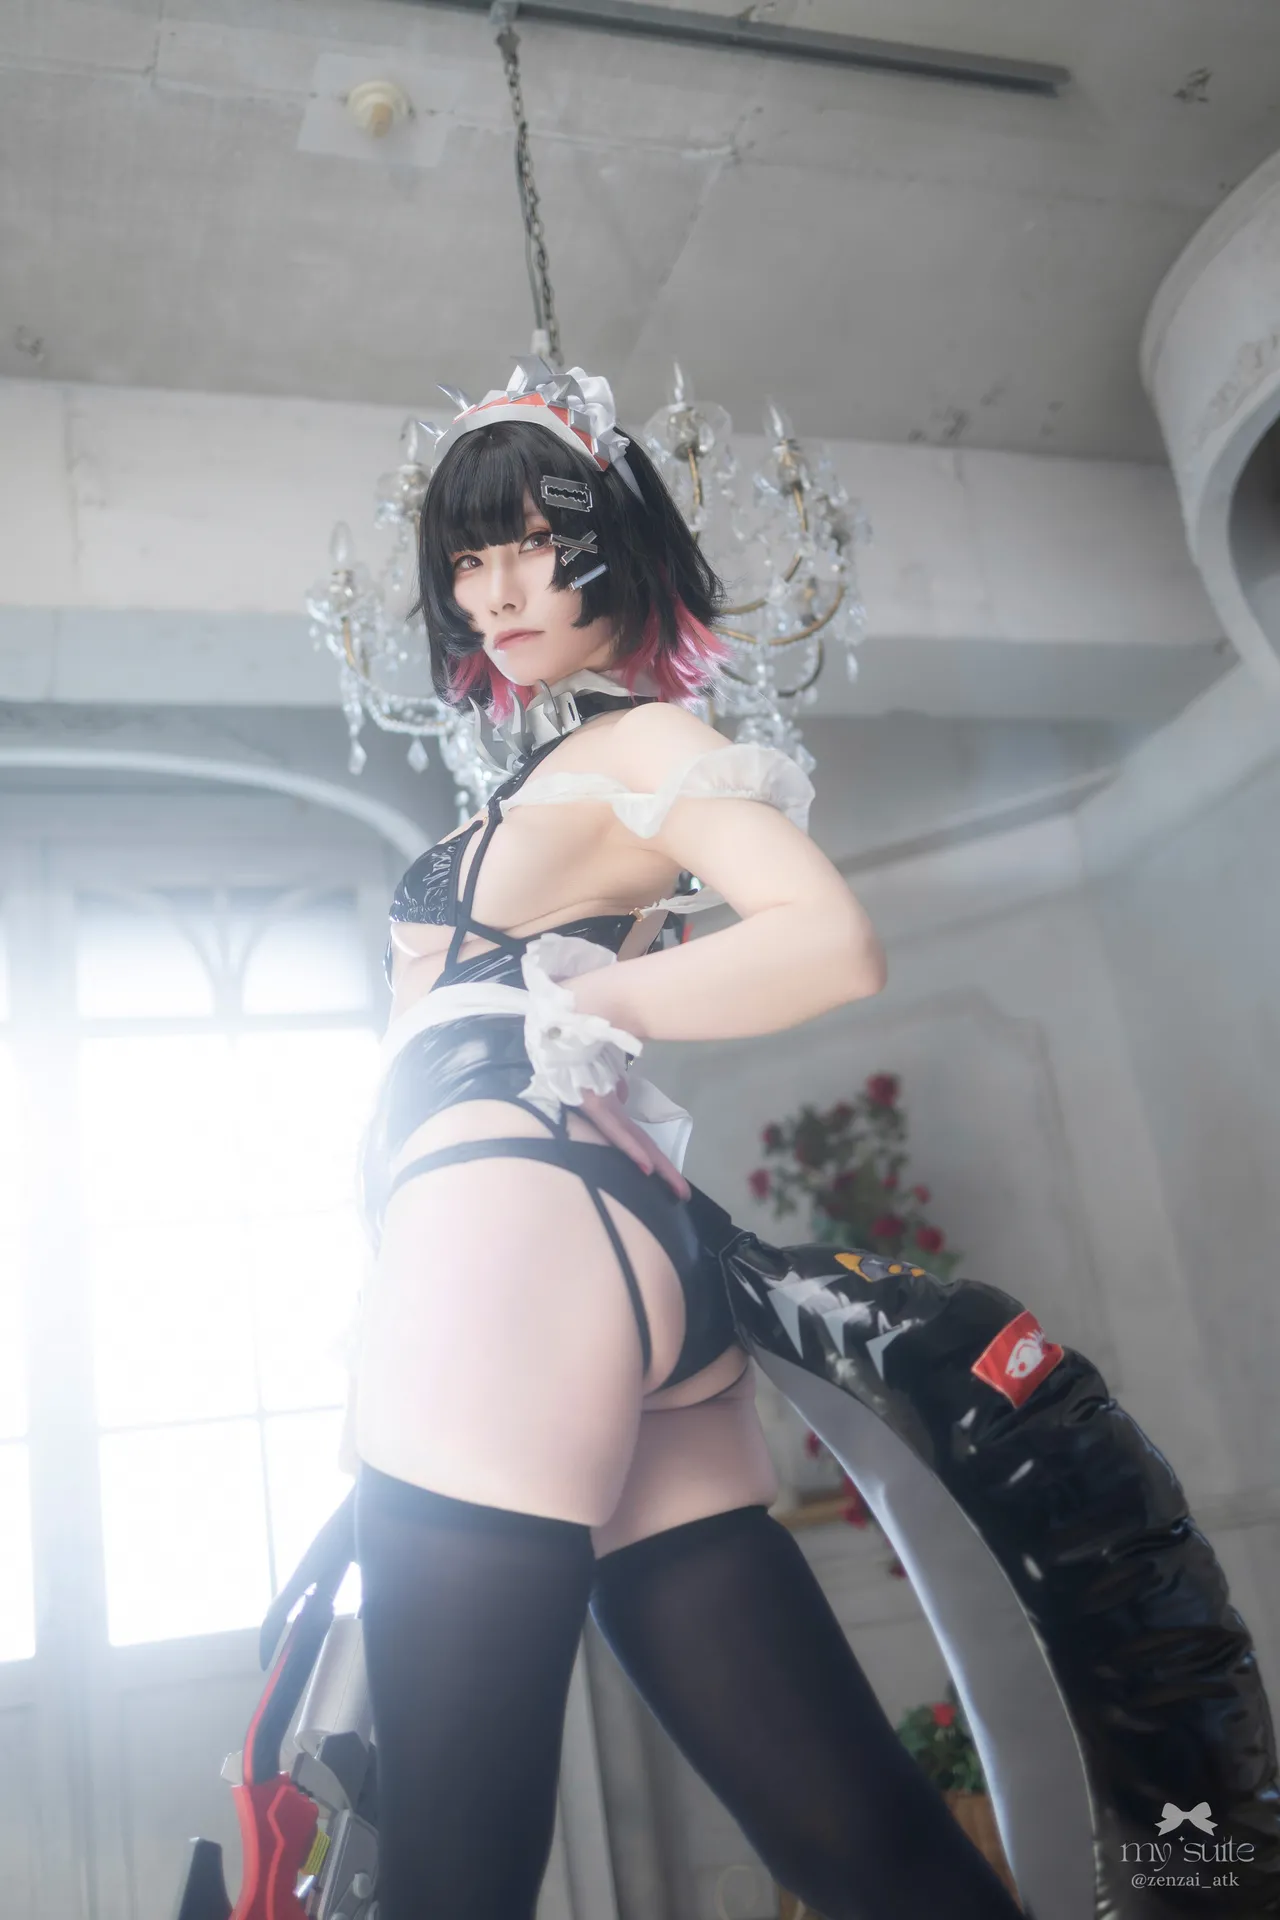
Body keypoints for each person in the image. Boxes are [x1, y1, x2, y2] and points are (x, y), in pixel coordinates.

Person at [344, 359, 1027, 1920]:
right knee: (866, 1852)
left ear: (614, 543)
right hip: (615, 1257)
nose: (495, 591)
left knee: (447, 1869)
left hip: (510, 1240)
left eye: (535, 543)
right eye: (469, 557)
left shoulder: (638, 746)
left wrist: (591, 1004)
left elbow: (830, 941)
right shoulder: (573, 765)